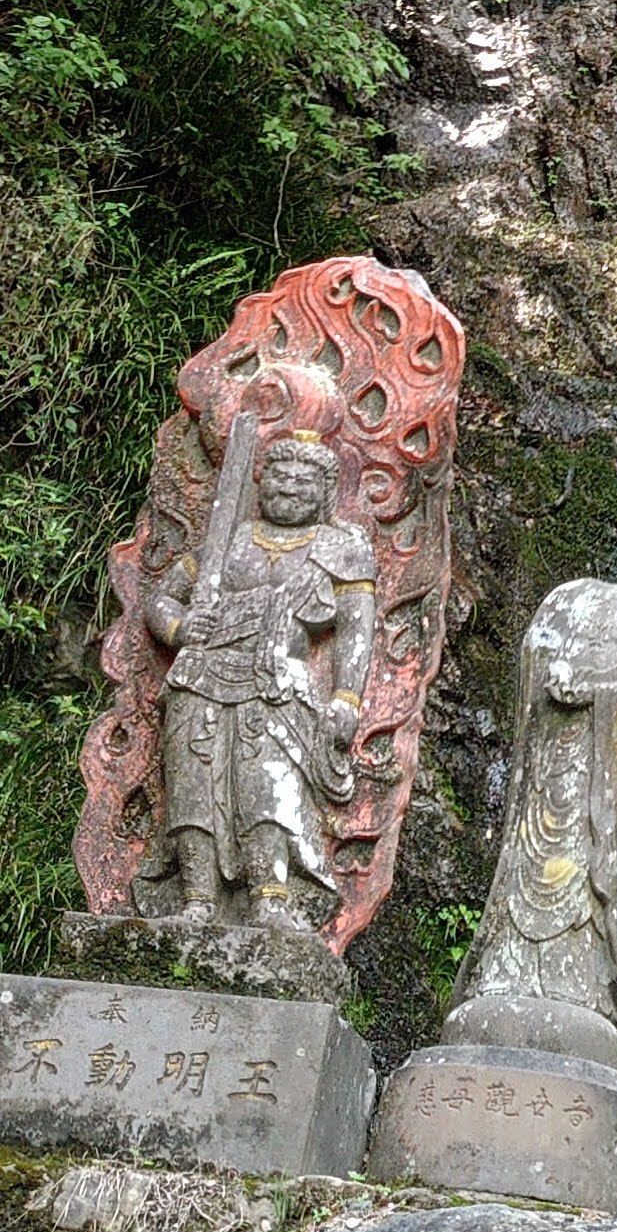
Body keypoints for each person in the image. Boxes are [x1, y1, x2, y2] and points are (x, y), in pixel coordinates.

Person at [145, 361, 377, 927]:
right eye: (277, 477)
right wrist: (178, 629)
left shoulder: (340, 548)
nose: (288, 487)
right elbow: (162, 598)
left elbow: (356, 627)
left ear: (325, 492)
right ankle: (196, 898)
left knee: (267, 791)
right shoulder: (230, 541)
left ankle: (270, 899)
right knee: (194, 789)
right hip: (201, 675)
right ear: (259, 482)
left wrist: (346, 699)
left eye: (303, 482)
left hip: (277, 684)